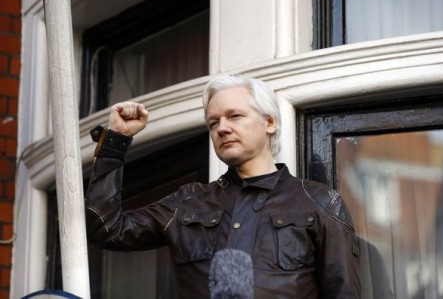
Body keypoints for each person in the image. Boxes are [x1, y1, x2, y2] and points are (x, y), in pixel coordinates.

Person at [85, 74, 360, 298]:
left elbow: (343, 292)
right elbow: (105, 229)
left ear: (270, 122)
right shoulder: (187, 203)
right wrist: (115, 141)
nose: (222, 128)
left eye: (235, 116)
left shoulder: (320, 202)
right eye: (213, 122)